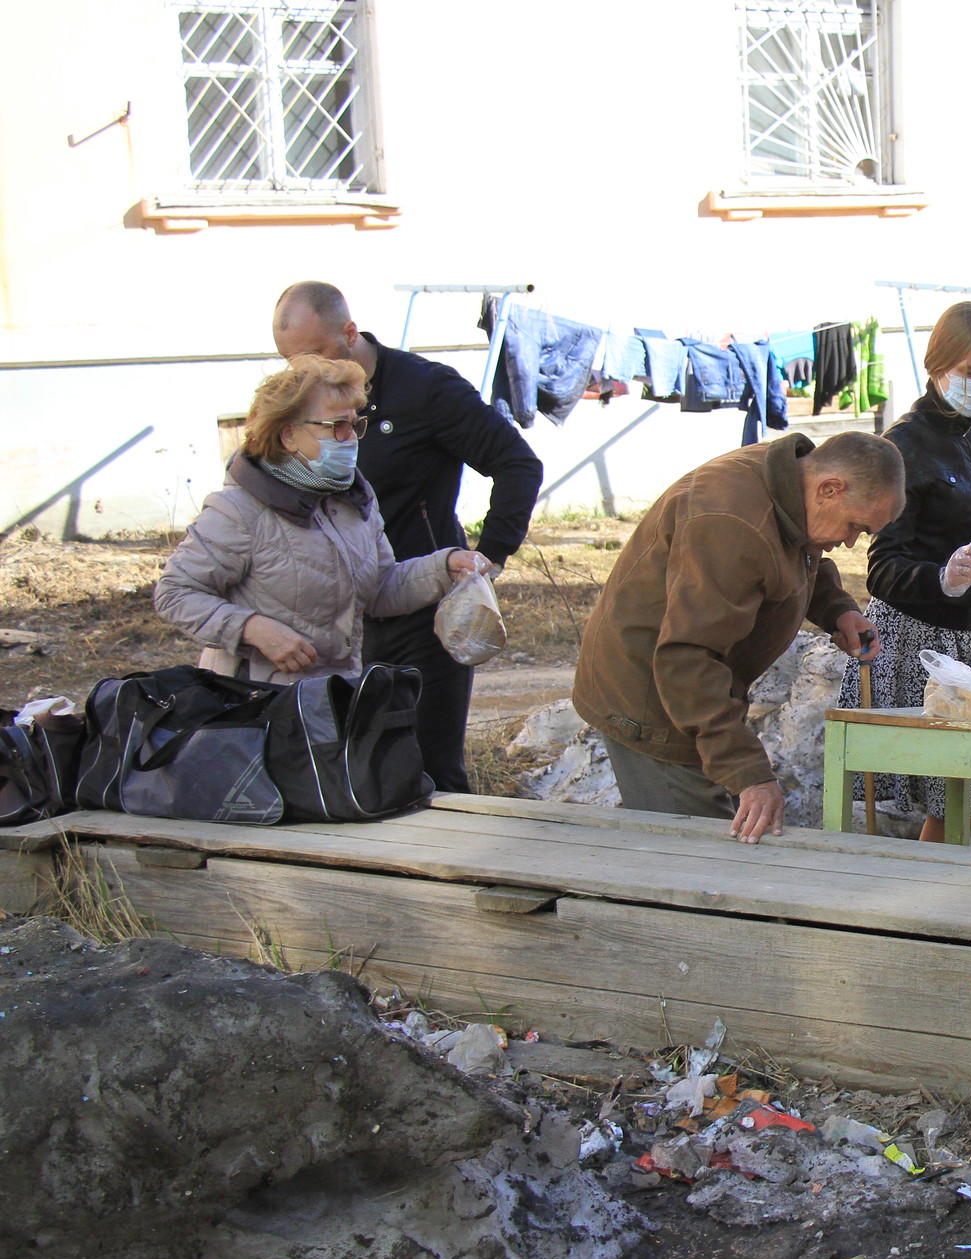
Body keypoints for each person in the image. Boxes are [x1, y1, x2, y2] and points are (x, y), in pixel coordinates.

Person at [272, 281, 543, 793]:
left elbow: (517, 463)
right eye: (290, 362)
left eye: (313, 356)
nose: (301, 373)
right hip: (336, 617)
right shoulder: (300, 404)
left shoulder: (425, 389)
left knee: (427, 771)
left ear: (350, 334)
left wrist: (490, 556)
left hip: (422, 614)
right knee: (351, 771)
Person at [573, 431, 903, 844]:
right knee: (700, 861)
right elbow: (687, 659)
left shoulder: (792, 483)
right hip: (653, 699)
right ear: (830, 488)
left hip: (693, 690)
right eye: (855, 526)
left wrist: (838, 609)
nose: (851, 541)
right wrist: (749, 775)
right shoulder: (731, 522)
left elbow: (797, 552)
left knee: (716, 845)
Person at [840, 300, 971, 851]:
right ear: (938, 365)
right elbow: (883, 567)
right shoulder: (904, 444)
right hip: (926, 639)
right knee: (948, 789)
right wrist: (944, 578)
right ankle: (938, 908)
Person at [155, 355, 488, 683]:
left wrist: (444, 566)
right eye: (336, 427)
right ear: (288, 435)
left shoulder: (354, 497)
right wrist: (253, 629)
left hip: (331, 699)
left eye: (355, 425)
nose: (352, 438)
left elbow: (379, 589)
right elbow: (175, 593)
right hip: (252, 709)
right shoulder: (239, 509)